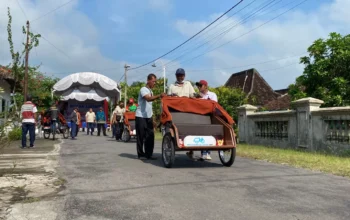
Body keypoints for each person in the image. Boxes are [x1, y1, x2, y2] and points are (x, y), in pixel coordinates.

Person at [135, 73, 166, 159]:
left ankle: (149, 154)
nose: (154, 83)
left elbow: (149, 106)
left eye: (155, 81)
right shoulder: (143, 89)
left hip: (148, 117)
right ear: (148, 81)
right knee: (141, 136)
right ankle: (141, 154)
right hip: (140, 116)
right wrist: (159, 95)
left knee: (150, 135)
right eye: (153, 81)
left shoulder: (151, 91)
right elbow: (148, 99)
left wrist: (152, 119)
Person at [196, 79, 218, 160]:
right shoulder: (198, 96)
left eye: (200, 85)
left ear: (205, 86)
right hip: (201, 117)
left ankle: (206, 152)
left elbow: (214, 106)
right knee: (203, 133)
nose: (198, 87)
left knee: (208, 133)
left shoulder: (212, 95)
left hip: (210, 117)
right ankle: (204, 152)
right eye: (198, 85)